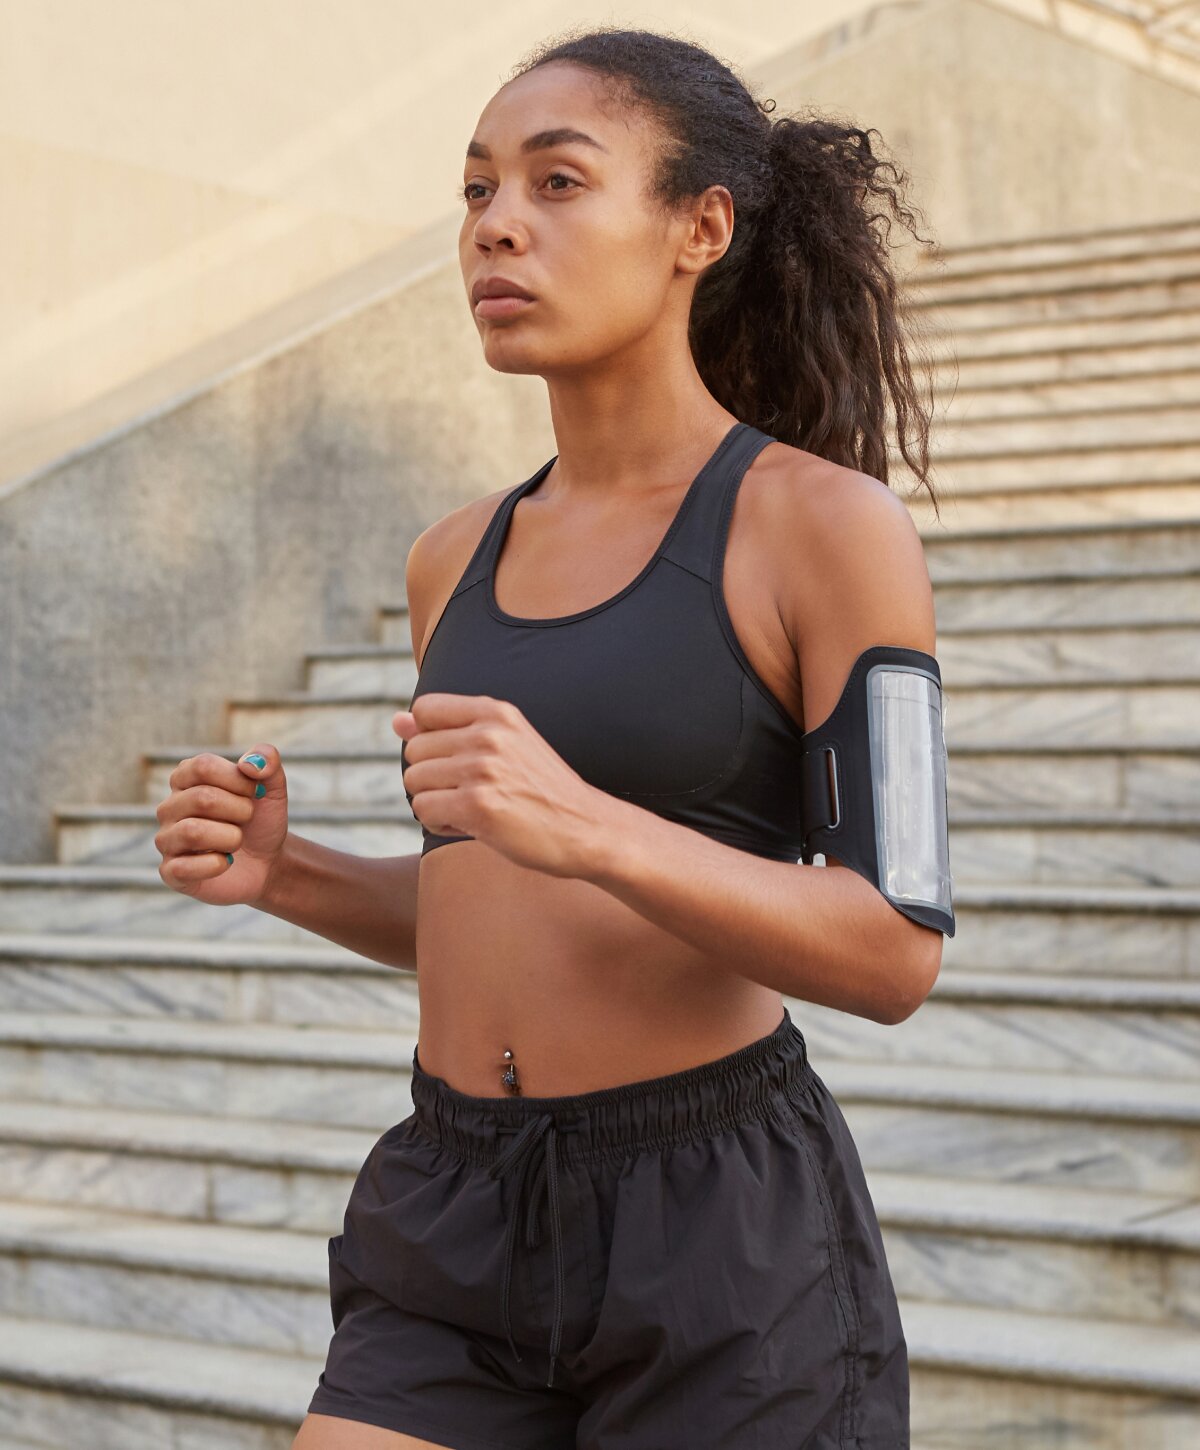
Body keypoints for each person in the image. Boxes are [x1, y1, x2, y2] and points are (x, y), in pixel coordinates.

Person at [156, 24, 954, 1450]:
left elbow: (895, 946)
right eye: (475, 193)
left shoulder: (824, 528)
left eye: (558, 182)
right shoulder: (449, 558)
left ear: (697, 228)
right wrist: (289, 873)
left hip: (715, 1228)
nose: (497, 227)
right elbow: (492, 910)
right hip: (455, 1204)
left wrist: (588, 823)